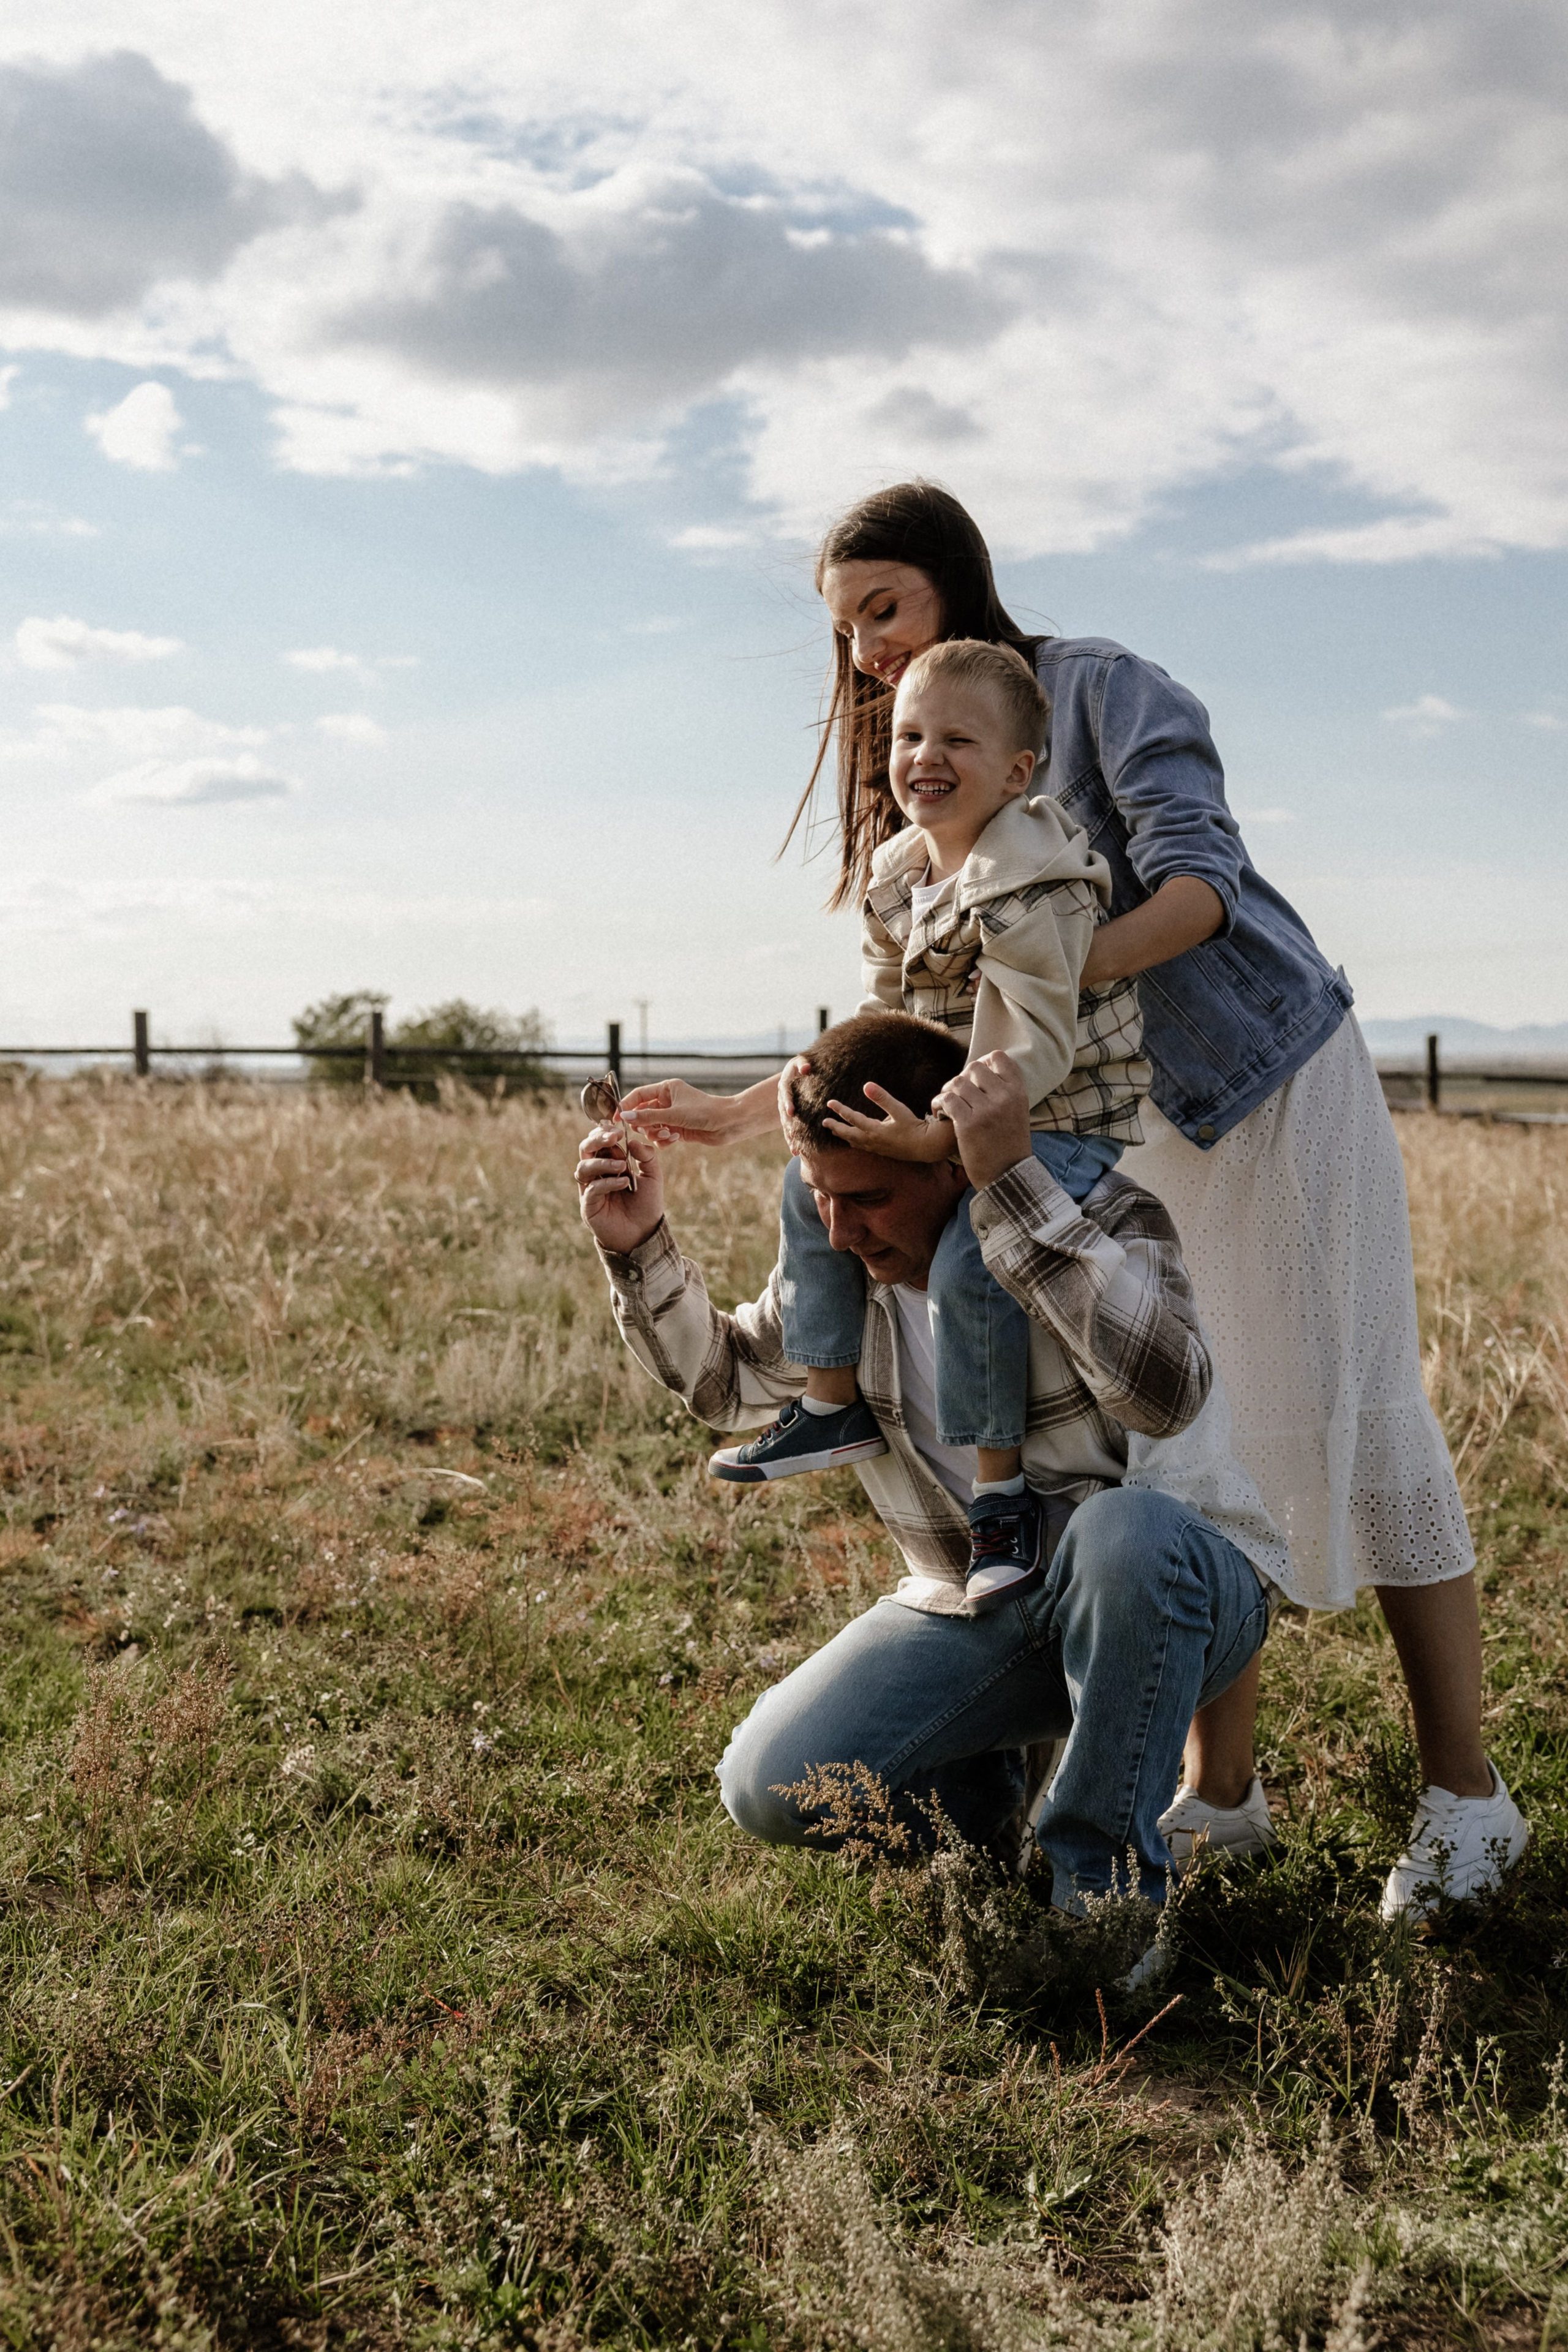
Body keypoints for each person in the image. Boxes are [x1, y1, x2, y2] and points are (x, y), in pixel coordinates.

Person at [622, 480, 1528, 1923]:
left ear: (955, 587)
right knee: (1177, 1445)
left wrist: (1035, 968)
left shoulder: (1089, 690)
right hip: (1089, 1124)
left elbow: (1200, 891)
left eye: (881, 608)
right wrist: (750, 1111)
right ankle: (1216, 1795)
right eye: (841, 626)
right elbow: (900, 1006)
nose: (860, 652)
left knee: (1356, 1416)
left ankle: (1465, 1798)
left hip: (1257, 1087)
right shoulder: (920, 777)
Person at [579, 1012, 1283, 1924]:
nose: (839, 1233)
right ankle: (993, 1823)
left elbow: (1165, 1396)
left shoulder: (1099, 1217)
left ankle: (1105, 1902)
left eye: (867, 1198)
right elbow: (727, 1385)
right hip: (978, 1604)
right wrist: (636, 1245)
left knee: (1123, 1532)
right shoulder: (847, 1276)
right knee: (769, 1783)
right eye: (821, 1198)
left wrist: (1015, 1199)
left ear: (949, 1163)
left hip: (1176, 1594)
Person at [708, 638, 1150, 1611]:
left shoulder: (1032, 872)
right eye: (910, 734)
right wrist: (834, 1095)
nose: (924, 755)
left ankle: (1000, 1497)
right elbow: (883, 1017)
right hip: (951, 1096)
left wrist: (942, 1142)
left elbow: (1036, 1045)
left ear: (1018, 771)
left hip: (1057, 1114)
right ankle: (829, 1403)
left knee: (968, 1256)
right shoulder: (902, 871)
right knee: (805, 1178)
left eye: (958, 738)